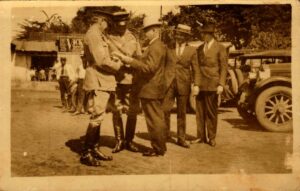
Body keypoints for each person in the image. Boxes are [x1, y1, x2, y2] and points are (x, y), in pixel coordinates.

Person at [113, 17, 167, 157]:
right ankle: (159, 147)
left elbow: (149, 69)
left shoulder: (156, 46)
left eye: (147, 31)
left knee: (154, 120)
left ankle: (158, 148)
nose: (145, 34)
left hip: (151, 88)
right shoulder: (155, 45)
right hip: (152, 88)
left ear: (155, 31)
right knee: (155, 119)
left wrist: (129, 60)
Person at [80, 10, 123, 166]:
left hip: (104, 80)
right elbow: (101, 61)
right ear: (101, 20)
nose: (108, 25)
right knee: (97, 117)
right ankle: (86, 153)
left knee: (100, 116)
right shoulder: (94, 35)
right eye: (107, 22)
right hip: (98, 80)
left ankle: (94, 148)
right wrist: (117, 65)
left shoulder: (100, 35)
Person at [107, 11, 142, 153]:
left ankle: (129, 140)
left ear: (126, 23)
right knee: (116, 110)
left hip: (130, 79)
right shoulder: (108, 37)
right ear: (115, 24)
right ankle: (119, 141)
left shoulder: (133, 37)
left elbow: (139, 58)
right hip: (114, 79)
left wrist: (127, 60)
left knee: (132, 111)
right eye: (118, 25)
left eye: (124, 25)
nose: (121, 27)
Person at [163, 24, 200, 148]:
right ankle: (165, 134)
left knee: (181, 113)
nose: (178, 37)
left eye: (181, 35)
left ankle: (181, 138)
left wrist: (196, 85)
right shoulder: (168, 47)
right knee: (165, 110)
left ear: (186, 37)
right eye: (177, 34)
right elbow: (161, 65)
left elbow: (196, 69)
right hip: (168, 84)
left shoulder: (192, 50)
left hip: (183, 84)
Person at [191, 23, 228, 147]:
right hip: (201, 85)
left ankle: (211, 137)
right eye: (202, 33)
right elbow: (196, 67)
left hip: (213, 84)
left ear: (210, 35)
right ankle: (200, 136)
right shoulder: (200, 48)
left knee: (211, 113)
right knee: (199, 112)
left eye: (204, 34)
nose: (203, 36)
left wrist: (221, 84)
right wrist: (195, 84)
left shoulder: (220, 48)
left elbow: (223, 68)